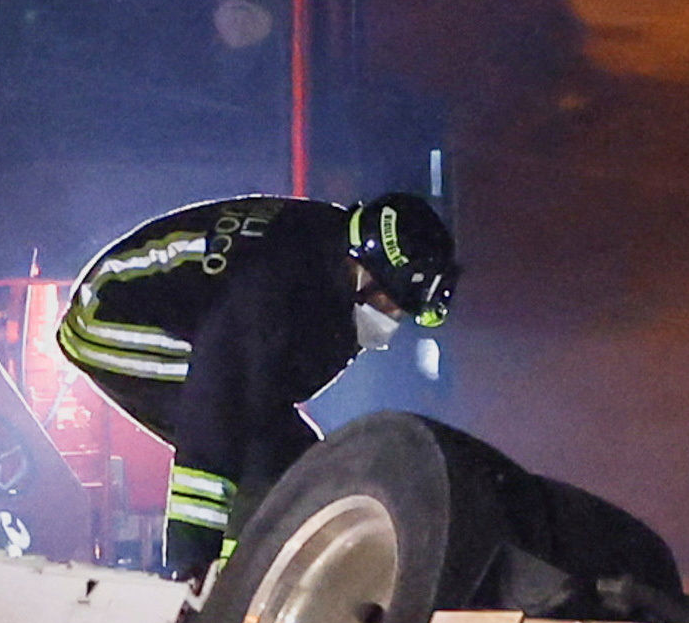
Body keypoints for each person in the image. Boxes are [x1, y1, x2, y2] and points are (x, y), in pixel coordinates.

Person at [52, 189, 458, 579]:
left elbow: (271, 404)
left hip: (201, 329)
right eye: (390, 304)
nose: (391, 319)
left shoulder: (326, 272)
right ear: (365, 271)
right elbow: (211, 417)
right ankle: (216, 582)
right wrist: (192, 562)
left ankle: (248, 573)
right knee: (233, 428)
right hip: (107, 318)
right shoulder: (273, 285)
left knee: (299, 462)